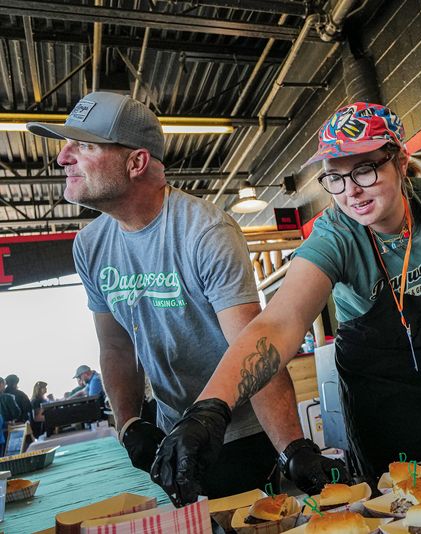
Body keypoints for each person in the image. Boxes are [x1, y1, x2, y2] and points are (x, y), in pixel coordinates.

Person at [150, 102, 421, 504]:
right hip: (384, 400)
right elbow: (280, 322)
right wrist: (211, 407)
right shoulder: (335, 235)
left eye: (365, 170)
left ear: (400, 162)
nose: (351, 191)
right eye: (335, 177)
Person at [26, 92, 343, 500]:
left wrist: (293, 449)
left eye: (83, 145)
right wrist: (130, 424)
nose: (62, 157)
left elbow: (254, 343)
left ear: (136, 162)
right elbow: (116, 345)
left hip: (236, 430)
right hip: (171, 428)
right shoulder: (89, 245)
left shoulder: (205, 232)